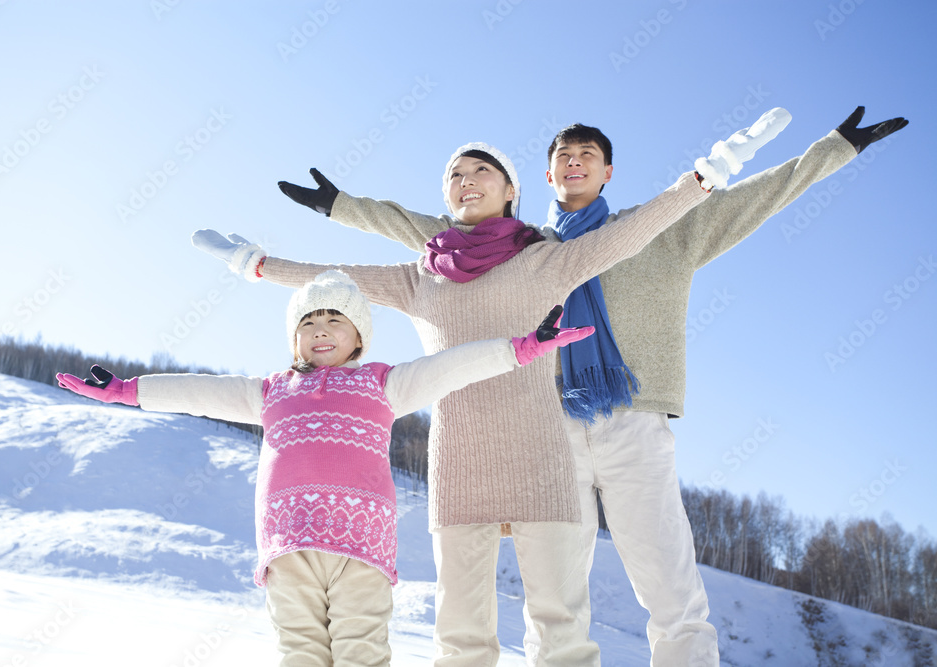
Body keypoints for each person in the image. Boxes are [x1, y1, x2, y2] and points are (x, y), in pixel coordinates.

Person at [274, 106, 908, 666]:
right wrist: (343, 207)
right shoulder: (519, 248)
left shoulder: (665, 229)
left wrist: (836, 149)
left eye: (588, 156)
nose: (574, 163)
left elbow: (756, 196)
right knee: (558, 590)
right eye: (562, 157)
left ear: (608, 171)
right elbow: (433, 234)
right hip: (546, 427)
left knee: (666, 576)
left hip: (634, 420)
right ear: (545, 177)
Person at [192, 126, 767, 665]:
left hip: (547, 458)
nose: (466, 179)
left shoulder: (545, 260)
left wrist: (708, 173)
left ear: (512, 189)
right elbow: (338, 280)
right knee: (461, 632)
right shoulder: (423, 276)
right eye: (455, 174)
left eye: (481, 169)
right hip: (460, 462)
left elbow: (631, 233)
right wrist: (257, 265)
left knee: (559, 627)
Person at [56, 270, 592, 667]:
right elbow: (201, 390)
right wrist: (128, 392)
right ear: (295, 338)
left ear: (359, 335)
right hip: (289, 547)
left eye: (335, 318)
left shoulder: (383, 383)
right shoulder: (270, 392)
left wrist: (521, 348)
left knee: (362, 653)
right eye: (309, 321)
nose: (321, 329)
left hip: (360, 547)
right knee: (300, 654)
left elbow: (450, 367)